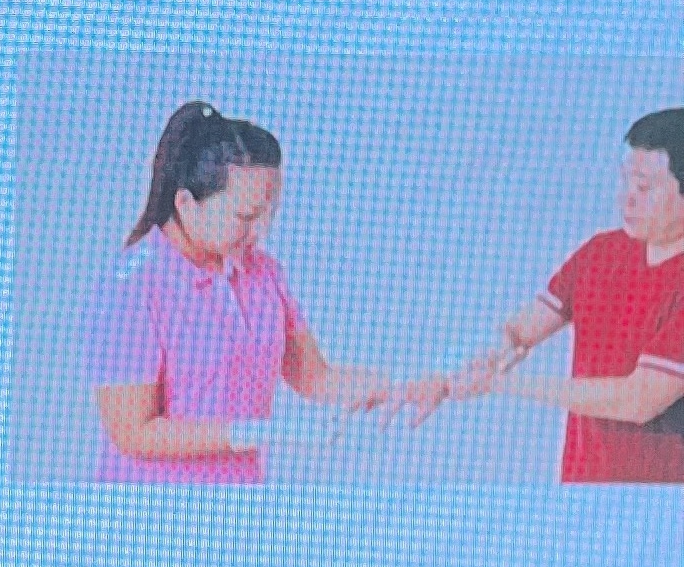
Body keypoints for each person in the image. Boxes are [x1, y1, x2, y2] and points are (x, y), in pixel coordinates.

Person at [88, 101, 439, 483]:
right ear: (186, 204)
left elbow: (314, 376)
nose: (261, 232)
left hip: (239, 499)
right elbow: (132, 431)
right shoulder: (134, 286)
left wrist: (400, 385)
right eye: (246, 217)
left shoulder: (263, 273)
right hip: (153, 504)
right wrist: (253, 431)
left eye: (268, 214)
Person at [448, 108, 684, 481]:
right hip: (580, 491)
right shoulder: (600, 253)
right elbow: (521, 329)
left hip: (660, 501)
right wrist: (494, 350)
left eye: (644, 188)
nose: (626, 200)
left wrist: (504, 384)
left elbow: (639, 400)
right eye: (625, 182)